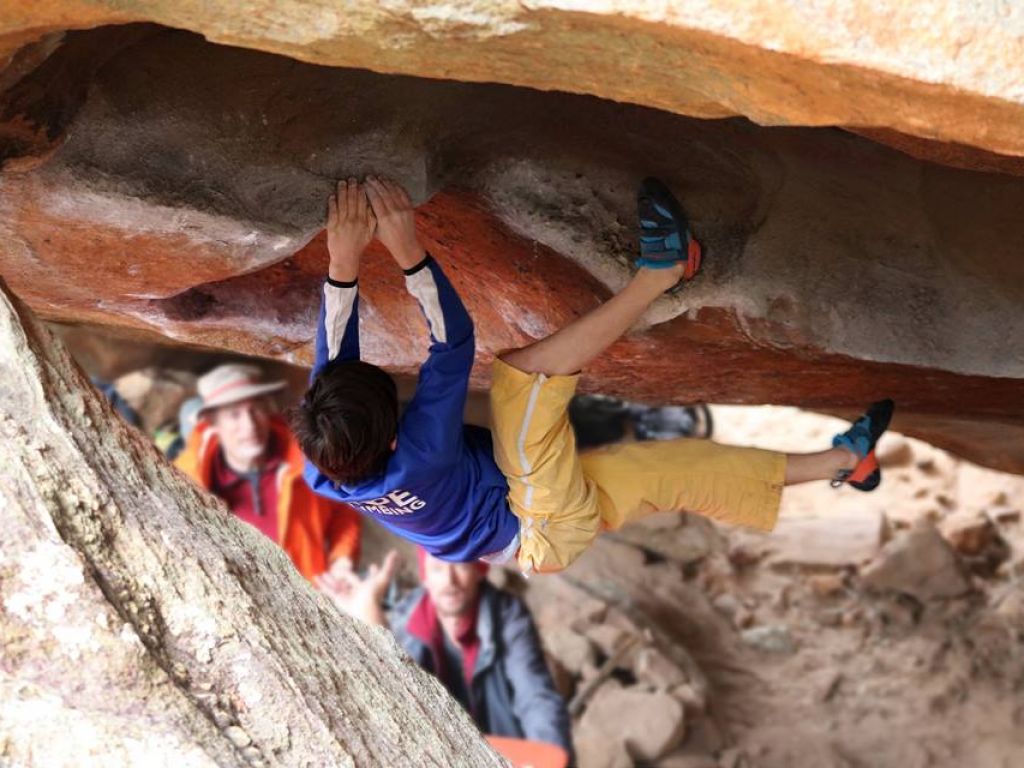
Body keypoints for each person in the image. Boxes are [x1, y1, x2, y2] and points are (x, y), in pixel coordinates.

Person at [292, 176, 894, 575]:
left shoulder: (332, 465)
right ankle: (661, 273)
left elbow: (332, 375)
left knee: (675, 471)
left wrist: (342, 261)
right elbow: (452, 344)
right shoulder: (417, 454)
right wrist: (406, 249)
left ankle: (844, 464)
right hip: (535, 519)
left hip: (536, 541)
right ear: (395, 437)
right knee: (522, 381)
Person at [319, 548, 573, 760]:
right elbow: (393, 698)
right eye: (438, 569)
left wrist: (549, 757)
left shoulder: (506, 615)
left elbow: (535, 695)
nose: (449, 582)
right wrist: (369, 622)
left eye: (460, 566)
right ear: (426, 576)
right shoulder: (408, 621)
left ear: (479, 571)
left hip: (506, 752)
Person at [176, 362, 361, 580]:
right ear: (212, 425)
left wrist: (342, 560)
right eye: (234, 415)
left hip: (311, 596)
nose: (250, 425)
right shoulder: (185, 481)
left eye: (255, 409)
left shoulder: (309, 458)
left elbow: (345, 510)